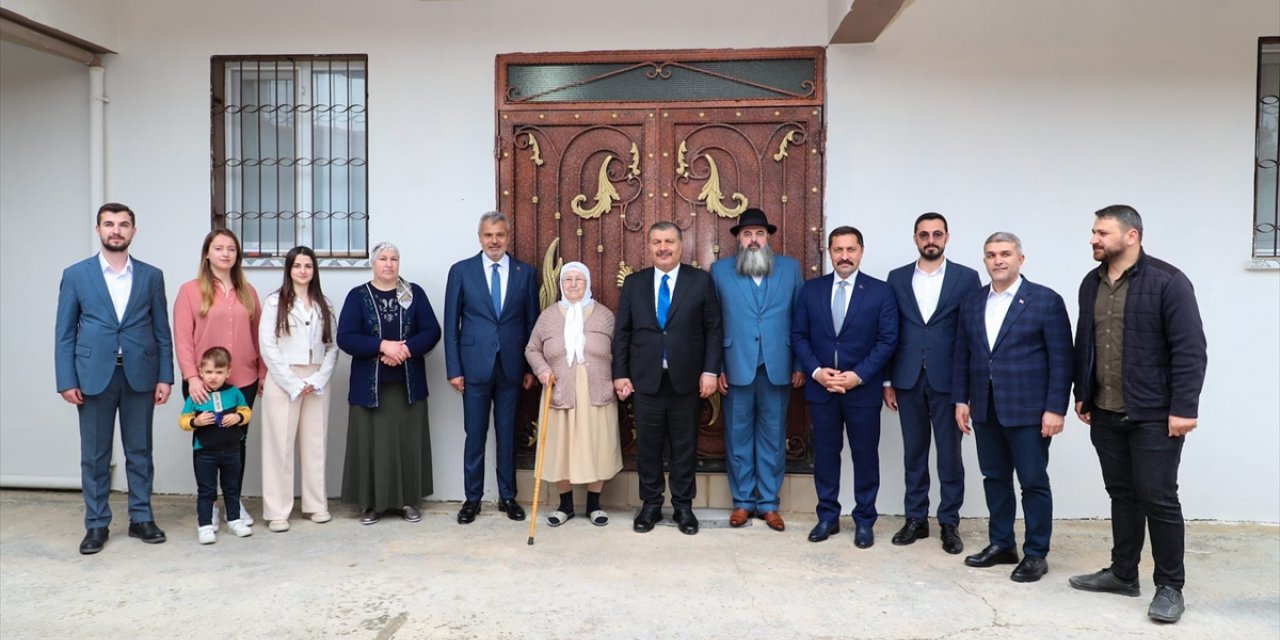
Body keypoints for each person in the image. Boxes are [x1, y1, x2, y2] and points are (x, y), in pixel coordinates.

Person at [1067, 205, 1207, 624]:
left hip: (1154, 414)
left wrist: (1184, 408)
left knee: (1159, 498)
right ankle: (1123, 573)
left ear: (1131, 236)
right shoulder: (1091, 284)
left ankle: (1169, 586)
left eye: (1102, 232)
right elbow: (1084, 341)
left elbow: (1190, 349)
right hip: (1106, 411)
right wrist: (1083, 392)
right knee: (1122, 495)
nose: (1094, 239)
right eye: (1093, 232)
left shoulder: (1168, 281)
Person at [952, 232, 1073, 583]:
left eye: (1005, 253)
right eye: (991, 255)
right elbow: (963, 353)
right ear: (985, 261)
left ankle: (1036, 553)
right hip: (986, 408)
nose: (998, 260)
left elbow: (1062, 359)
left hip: (1029, 410)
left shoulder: (1045, 300)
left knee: (1033, 481)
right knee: (995, 478)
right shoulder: (973, 301)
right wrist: (962, 399)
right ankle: (1002, 544)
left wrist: (1056, 408)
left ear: (1021, 259)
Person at [55, 202, 174, 554]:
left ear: (133, 231)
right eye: (109, 224)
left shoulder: (151, 276)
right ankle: (96, 524)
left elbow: (161, 331)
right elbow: (64, 333)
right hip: (93, 376)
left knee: (140, 452)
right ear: (98, 230)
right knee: (94, 454)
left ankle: (141, 518)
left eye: (123, 224)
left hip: (141, 374)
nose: (116, 230)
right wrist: (66, 379)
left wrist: (165, 375)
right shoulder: (77, 275)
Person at [613, 221, 722, 535]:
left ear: (681, 245)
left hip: (686, 381)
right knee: (648, 446)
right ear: (648, 246)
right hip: (645, 380)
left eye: (669, 242)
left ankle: (683, 508)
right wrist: (620, 374)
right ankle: (650, 505)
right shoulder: (634, 283)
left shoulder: (700, 281)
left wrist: (710, 371)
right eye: (657, 242)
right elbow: (623, 333)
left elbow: (713, 329)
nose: (663, 247)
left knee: (684, 446)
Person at [792, 226, 898, 548]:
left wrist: (858, 376)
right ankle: (828, 517)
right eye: (838, 250)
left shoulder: (880, 292)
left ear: (861, 252)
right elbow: (799, 336)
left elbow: (887, 340)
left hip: (861, 391)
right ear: (829, 252)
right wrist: (816, 372)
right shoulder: (812, 290)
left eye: (851, 249)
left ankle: (865, 520)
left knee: (865, 456)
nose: (844, 256)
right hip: (822, 389)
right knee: (825, 455)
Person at [883, 213, 981, 554]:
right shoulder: (896, 279)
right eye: (924, 234)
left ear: (947, 237)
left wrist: (966, 389)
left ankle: (949, 522)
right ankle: (916, 519)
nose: (930, 239)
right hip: (907, 378)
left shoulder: (966, 278)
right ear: (915, 239)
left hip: (949, 380)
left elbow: (971, 334)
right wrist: (887, 380)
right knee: (914, 452)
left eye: (937, 234)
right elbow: (889, 331)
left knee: (950, 456)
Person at [709, 208, 804, 532]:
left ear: (768, 238)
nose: (753, 239)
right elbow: (714, 323)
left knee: (773, 437)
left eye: (759, 233)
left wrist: (800, 363)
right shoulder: (720, 271)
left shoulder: (790, 270)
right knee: (737, 436)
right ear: (738, 239)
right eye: (747, 234)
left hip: (778, 366)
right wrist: (716, 366)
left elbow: (800, 320)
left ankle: (768, 504)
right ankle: (742, 502)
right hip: (736, 366)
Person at [443, 211, 539, 525]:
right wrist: (454, 368)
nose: (494, 241)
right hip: (473, 368)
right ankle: (472, 499)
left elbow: (531, 325)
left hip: (511, 368)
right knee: (475, 434)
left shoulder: (525, 273)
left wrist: (528, 367)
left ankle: (507, 496)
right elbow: (451, 324)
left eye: (499, 235)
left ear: (508, 237)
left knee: (507, 434)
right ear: (480, 237)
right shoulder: (461, 271)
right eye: (488, 235)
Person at [337, 241, 441, 525]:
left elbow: (432, 331)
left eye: (394, 258)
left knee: (407, 444)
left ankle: (408, 502)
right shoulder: (358, 296)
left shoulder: (413, 293)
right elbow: (345, 337)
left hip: (407, 386)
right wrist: (383, 345)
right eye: (383, 258)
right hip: (369, 389)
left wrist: (403, 350)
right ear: (373, 262)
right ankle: (370, 504)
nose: (389, 264)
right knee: (371, 446)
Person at [173, 228, 264, 526]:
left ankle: (234, 504)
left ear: (237, 256)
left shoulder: (248, 292)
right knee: (209, 440)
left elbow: (258, 335)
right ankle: (209, 504)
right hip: (204, 382)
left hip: (243, 380)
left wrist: (262, 372)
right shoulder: (189, 291)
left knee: (237, 442)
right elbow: (183, 338)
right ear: (207, 253)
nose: (225, 253)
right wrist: (192, 377)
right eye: (219, 248)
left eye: (231, 249)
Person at [523, 262, 622, 527]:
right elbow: (532, 349)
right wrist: (542, 370)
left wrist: (621, 379)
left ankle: (594, 505)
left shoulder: (604, 315)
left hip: (596, 390)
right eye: (568, 279)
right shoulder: (548, 316)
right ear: (560, 284)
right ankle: (565, 505)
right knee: (560, 448)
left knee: (597, 445)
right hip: (559, 391)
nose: (574, 284)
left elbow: (621, 350)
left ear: (588, 283)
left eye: (579, 279)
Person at [258, 246, 339, 533]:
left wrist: (318, 379)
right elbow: (268, 346)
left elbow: (332, 346)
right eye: (297, 266)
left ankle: (316, 504)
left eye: (308, 266)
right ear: (289, 269)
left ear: (314, 270)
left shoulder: (324, 303)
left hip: (316, 379)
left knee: (316, 443)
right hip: (283, 378)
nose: (303, 271)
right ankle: (277, 510)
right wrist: (292, 382)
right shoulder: (273, 303)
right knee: (279, 445)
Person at [179, 346, 254, 544]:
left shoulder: (234, 393)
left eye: (219, 372)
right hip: (205, 452)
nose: (213, 377)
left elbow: (247, 412)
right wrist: (196, 421)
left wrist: (237, 417)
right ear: (201, 372)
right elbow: (183, 421)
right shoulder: (196, 396)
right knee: (206, 490)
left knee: (231, 487)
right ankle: (204, 526)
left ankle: (235, 520)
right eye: (209, 372)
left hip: (232, 450)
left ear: (228, 373)